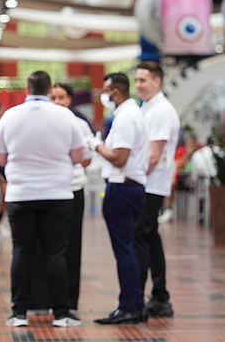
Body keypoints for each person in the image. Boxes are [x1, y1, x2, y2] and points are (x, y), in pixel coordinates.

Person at [0, 71, 84, 328]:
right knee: (56, 253)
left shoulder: (10, 116)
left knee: (23, 251)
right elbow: (79, 155)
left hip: (22, 194)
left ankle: (19, 313)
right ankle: (62, 313)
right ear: (49, 88)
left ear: (27, 89)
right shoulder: (66, 116)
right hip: (58, 194)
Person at [90, 72, 149, 325]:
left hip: (122, 189)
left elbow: (119, 158)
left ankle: (129, 307)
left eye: (106, 92)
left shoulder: (125, 117)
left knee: (124, 251)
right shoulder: (134, 113)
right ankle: (135, 304)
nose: (104, 97)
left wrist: (95, 146)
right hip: (132, 187)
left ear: (115, 92)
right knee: (130, 249)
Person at [134, 61, 179, 318]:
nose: (139, 85)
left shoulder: (161, 110)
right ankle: (159, 295)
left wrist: (134, 180)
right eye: (137, 80)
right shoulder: (148, 107)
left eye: (143, 80)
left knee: (141, 236)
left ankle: (141, 298)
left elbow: (154, 156)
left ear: (157, 81)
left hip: (150, 185)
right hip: (146, 183)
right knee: (150, 237)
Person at [51, 82, 94, 311]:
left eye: (62, 97)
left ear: (70, 100)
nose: (58, 102)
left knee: (71, 246)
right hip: (48, 191)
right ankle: (48, 298)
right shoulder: (43, 123)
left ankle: (70, 299)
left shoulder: (80, 124)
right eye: (54, 97)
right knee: (49, 246)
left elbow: (87, 158)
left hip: (73, 188)